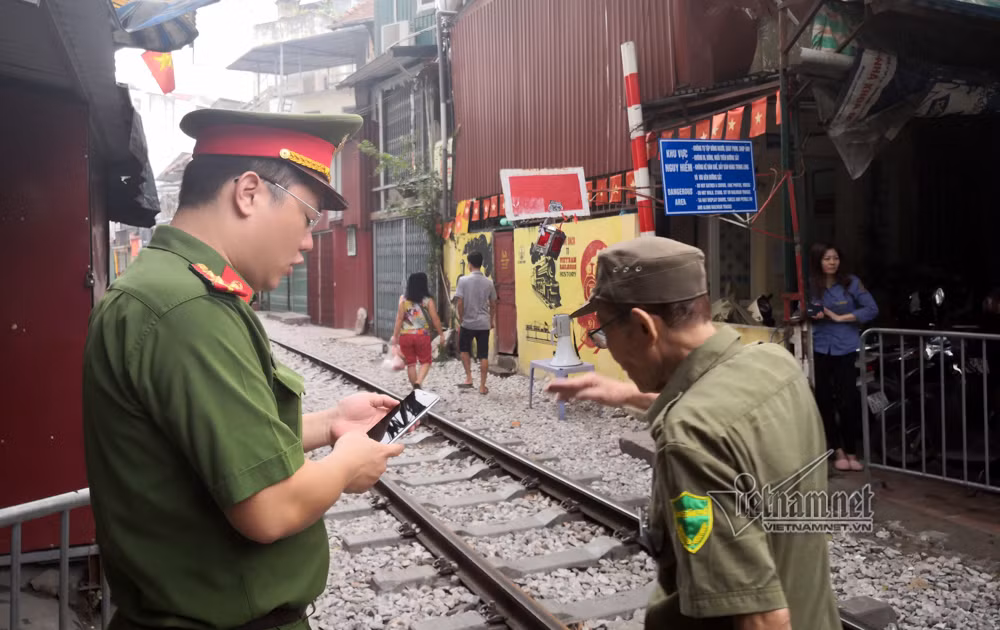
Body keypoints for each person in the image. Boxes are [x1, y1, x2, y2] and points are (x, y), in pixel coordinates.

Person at [82, 110, 406, 630]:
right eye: (308, 217)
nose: (308, 242)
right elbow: (269, 509)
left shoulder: (165, 287)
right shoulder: (187, 309)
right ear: (249, 192)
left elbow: (213, 444)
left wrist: (330, 425)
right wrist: (348, 464)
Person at [545, 237, 840, 630]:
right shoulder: (774, 363)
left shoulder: (689, 436)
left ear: (643, 326)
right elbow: (722, 405)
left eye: (602, 330)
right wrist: (632, 395)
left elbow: (763, 619)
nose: (604, 345)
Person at [808, 242, 879, 472]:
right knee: (825, 399)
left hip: (846, 347)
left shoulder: (852, 283)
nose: (831, 262)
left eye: (835, 258)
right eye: (827, 258)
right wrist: (811, 312)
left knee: (848, 400)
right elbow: (804, 308)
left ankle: (851, 451)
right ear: (819, 261)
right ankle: (836, 449)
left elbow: (871, 309)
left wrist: (842, 318)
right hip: (820, 346)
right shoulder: (812, 284)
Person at [391, 272, 444, 389]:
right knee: (426, 361)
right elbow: (435, 319)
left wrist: (395, 336)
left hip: (406, 336)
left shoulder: (403, 299)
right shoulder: (427, 301)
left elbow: (399, 319)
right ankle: (418, 382)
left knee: (411, 363)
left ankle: (415, 390)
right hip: (422, 336)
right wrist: (441, 334)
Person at [454, 251, 496, 395]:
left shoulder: (463, 281)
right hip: (484, 323)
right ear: (481, 264)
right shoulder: (489, 282)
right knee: (483, 355)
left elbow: (460, 302)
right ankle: (482, 386)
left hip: (468, 323)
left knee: (464, 349)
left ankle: (469, 377)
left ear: (469, 264)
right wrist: (491, 321)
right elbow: (493, 303)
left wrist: (461, 317)